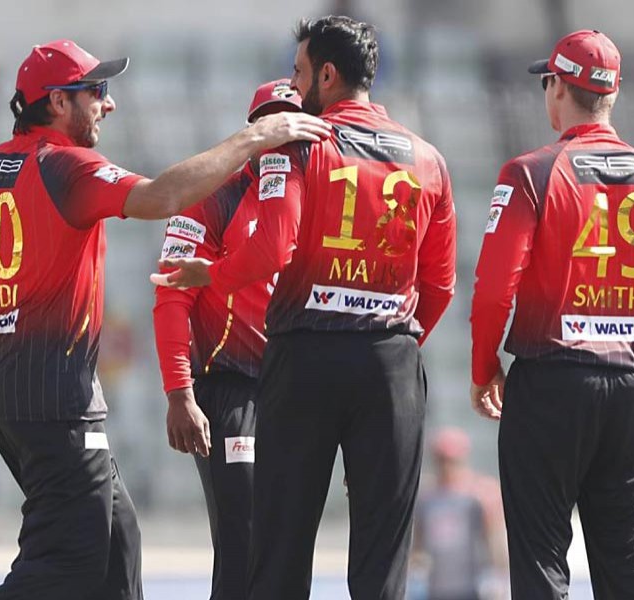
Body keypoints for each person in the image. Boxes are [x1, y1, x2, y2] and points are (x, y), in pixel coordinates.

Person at [0, 38, 328, 600]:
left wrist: (4, 235)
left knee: (117, 536)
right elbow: (162, 197)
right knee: (71, 559)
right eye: (96, 91)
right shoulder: (68, 167)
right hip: (53, 391)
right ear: (57, 102)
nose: (108, 104)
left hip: (1, 384)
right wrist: (257, 136)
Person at [155, 16, 457, 599]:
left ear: (327, 74)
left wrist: (213, 274)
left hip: (303, 357)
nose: (294, 89)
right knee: (382, 555)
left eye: (298, 72)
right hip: (390, 360)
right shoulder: (430, 159)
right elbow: (439, 286)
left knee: (280, 547)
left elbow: (273, 246)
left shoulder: (295, 144)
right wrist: (389, 348)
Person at [469, 30, 634, 599]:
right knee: (631, 568)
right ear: (611, 94)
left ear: (556, 87)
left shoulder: (531, 172)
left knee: (540, 562)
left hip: (549, 383)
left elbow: (493, 288)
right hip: (632, 388)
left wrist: (484, 369)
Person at [151, 78, 302, 600]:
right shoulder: (213, 198)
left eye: (293, 124)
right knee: (244, 541)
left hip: (300, 389)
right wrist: (180, 392)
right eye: (271, 124)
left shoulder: (326, 195)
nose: (283, 137)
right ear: (253, 132)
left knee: (286, 549)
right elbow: (171, 295)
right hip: (233, 389)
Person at [412, 427, 508, 600]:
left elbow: (495, 540)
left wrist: (497, 579)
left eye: (451, 461)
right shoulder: (426, 498)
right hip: (436, 588)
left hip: (472, 587)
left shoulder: (479, 494)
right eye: (441, 460)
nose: (446, 467)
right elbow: (417, 543)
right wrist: (415, 576)